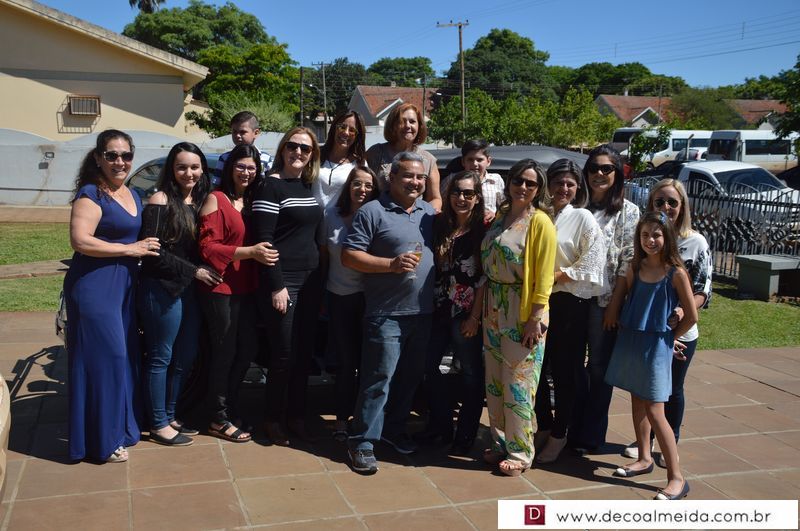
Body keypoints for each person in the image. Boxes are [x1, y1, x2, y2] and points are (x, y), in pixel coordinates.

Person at [65, 129, 160, 463]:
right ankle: (100, 441)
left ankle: (120, 428)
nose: (120, 162)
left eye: (126, 155)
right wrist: (129, 249)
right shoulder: (91, 193)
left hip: (123, 287)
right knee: (108, 359)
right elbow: (80, 240)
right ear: (98, 158)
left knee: (124, 357)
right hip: (94, 286)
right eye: (112, 155)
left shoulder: (131, 193)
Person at [341, 151, 436, 474]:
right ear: (392, 178)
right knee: (378, 379)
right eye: (408, 175)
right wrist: (390, 265)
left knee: (409, 379)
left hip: (423, 312)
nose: (415, 182)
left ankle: (393, 431)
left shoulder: (428, 213)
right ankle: (361, 441)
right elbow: (349, 256)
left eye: (420, 177)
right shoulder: (373, 211)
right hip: (386, 313)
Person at [604, 211, 697, 500]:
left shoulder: (676, 273)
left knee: (656, 410)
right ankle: (644, 458)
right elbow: (624, 299)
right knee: (637, 401)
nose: (650, 240)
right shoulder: (635, 266)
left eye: (656, 235)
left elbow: (691, 316)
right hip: (632, 341)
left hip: (657, 346)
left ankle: (677, 478)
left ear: (667, 237)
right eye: (645, 235)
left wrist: (671, 338)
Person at [137, 142, 221, 447]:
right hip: (162, 289)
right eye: (182, 167)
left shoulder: (201, 201)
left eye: (195, 167)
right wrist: (194, 271)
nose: (189, 173)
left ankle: (171, 415)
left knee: (185, 355)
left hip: (188, 291)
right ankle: (158, 423)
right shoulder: (160, 199)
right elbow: (152, 252)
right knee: (161, 356)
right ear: (172, 170)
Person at [481, 159, 557, 477]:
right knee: (496, 382)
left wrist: (535, 317)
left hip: (523, 310)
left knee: (518, 384)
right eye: (518, 180)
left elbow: (545, 276)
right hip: (493, 308)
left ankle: (521, 451)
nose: (522, 187)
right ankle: (501, 441)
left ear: (539, 189)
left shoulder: (540, 222)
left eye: (530, 183)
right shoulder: (500, 216)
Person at [198, 144, 278, 443]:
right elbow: (207, 247)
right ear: (230, 168)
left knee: (246, 350)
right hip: (221, 287)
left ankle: (229, 408)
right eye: (240, 166)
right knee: (225, 352)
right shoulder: (216, 199)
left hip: (248, 288)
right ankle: (217, 418)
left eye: (251, 167)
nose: (246, 172)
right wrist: (250, 252)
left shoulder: (254, 200)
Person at [630, 179, 711, 467]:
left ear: (682, 206)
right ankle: (646, 442)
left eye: (672, 202)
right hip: (648, 331)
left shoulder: (695, 242)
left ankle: (670, 443)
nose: (666, 207)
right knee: (644, 389)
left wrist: (680, 313)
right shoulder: (647, 238)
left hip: (679, 331)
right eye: (659, 201)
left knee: (671, 388)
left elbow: (703, 290)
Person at [252, 127, 323, 446]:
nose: (298, 152)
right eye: (293, 146)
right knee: (283, 354)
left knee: (303, 353)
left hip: (311, 281)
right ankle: (272, 419)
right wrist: (277, 286)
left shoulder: (307, 186)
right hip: (285, 282)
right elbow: (264, 241)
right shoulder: (270, 185)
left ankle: (296, 416)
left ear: (312, 155)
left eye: (306, 149)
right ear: (283, 149)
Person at [568, 144, 640, 454]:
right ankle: (569, 429)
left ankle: (591, 435)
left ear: (617, 174)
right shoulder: (575, 206)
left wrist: (615, 305)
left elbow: (628, 261)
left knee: (598, 368)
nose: (599, 173)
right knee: (571, 366)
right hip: (572, 297)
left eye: (607, 168)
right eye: (594, 168)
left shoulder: (628, 212)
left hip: (604, 302)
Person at [533, 159, 606, 464]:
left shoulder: (582, 217)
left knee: (565, 371)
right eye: (558, 182)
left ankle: (560, 433)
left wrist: (554, 277)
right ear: (548, 185)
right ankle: (545, 424)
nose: (563, 188)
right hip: (538, 301)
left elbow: (593, 261)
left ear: (578, 188)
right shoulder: (539, 215)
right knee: (535, 368)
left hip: (568, 303)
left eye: (570, 184)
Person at [417, 170, 487, 456]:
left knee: (471, 373)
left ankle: (466, 433)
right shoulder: (440, 225)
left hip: (466, 313)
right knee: (428, 366)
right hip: (438, 309)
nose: (461, 198)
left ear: (477, 198)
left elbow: (484, 278)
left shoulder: (484, 229)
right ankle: (441, 426)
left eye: (468, 193)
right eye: (457, 192)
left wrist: (475, 317)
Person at [321, 166, 381, 441]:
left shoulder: (380, 215)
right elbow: (324, 257)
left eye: (368, 185)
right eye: (357, 183)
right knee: (346, 363)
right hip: (339, 296)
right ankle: (342, 421)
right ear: (349, 186)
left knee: (371, 364)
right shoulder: (331, 215)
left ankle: (366, 420)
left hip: (372, 298)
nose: (362, 189)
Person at [365, 103, 442, 211]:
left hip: (414, 218)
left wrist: (425, 215)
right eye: (402, 121)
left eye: (412, 121)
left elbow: (435, 199)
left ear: (419, 126)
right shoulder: (376, 153)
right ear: (393, 126)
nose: (407, 126)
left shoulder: (429, 160)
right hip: (379, 216)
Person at [313, 110, 367, 207]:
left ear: (357, 136)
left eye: (352, 130)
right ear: (334, 128)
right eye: (342, 127)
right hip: (311, 216)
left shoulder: (359, 163)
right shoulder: (315, 155)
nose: (346, 133)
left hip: (341, 217)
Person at [213, 111, 274, 186]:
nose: (237, 135)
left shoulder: (266, 158)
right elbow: (217, 184)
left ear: (256, 133)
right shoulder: (225, 158)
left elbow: (271, 186)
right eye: (234, 132)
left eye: (243, 132)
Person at [461, 139, 505, 223]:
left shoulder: (496, 180)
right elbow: (441, 204)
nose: (475, 164)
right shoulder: (453, 179)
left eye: (479, 160)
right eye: (470, 159)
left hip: (489, 228)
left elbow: (504, 207)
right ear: (463, 161)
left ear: (488, 161)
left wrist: (495, 214)